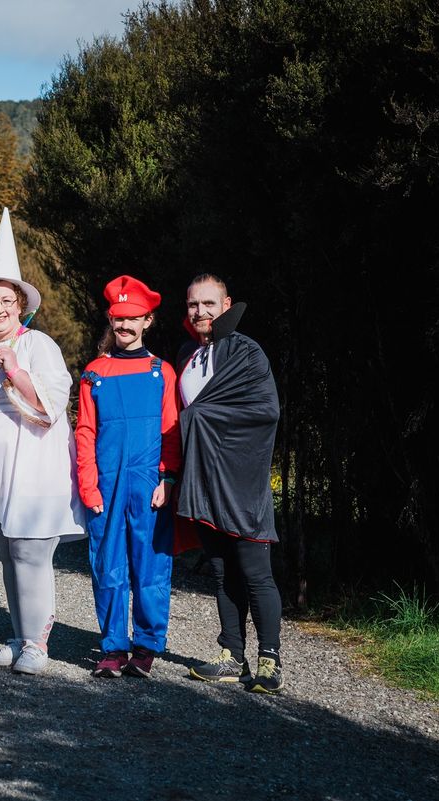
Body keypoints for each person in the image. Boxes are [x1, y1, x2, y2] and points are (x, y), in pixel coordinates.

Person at [0, 208, 86, 675]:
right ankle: (18, 637)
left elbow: (53, 408)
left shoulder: (39, 345)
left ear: (20, 304)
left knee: (31, 551)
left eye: (6, 300)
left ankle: (38, 646)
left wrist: (17, 373)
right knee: (8, 552)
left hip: (31, 465)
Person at [176, 274, 284, 694]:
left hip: (241, 480)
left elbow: (265, 411)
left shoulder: (246, 351)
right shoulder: (187, 354)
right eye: (192, 305)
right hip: (203, 479)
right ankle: (232, 655)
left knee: (256, 574)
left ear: (226, 305)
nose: (199, 312)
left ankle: (270, 660)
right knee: (222, 573)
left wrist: (199, 420)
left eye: (208, 304)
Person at [75, 275, 181, 679]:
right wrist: (88, 484)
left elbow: (171, 430)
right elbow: (84, 432)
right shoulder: (93, 374)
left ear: (147, 321)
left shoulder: (162, 372)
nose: (125, 326)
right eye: (119, 318)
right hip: (106, 483)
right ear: (110, 318)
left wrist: (168, 480)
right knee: (108, 564)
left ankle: (147, 645)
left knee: (150, 564)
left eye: (133, 318)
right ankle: (114, 647)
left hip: (148, 483)